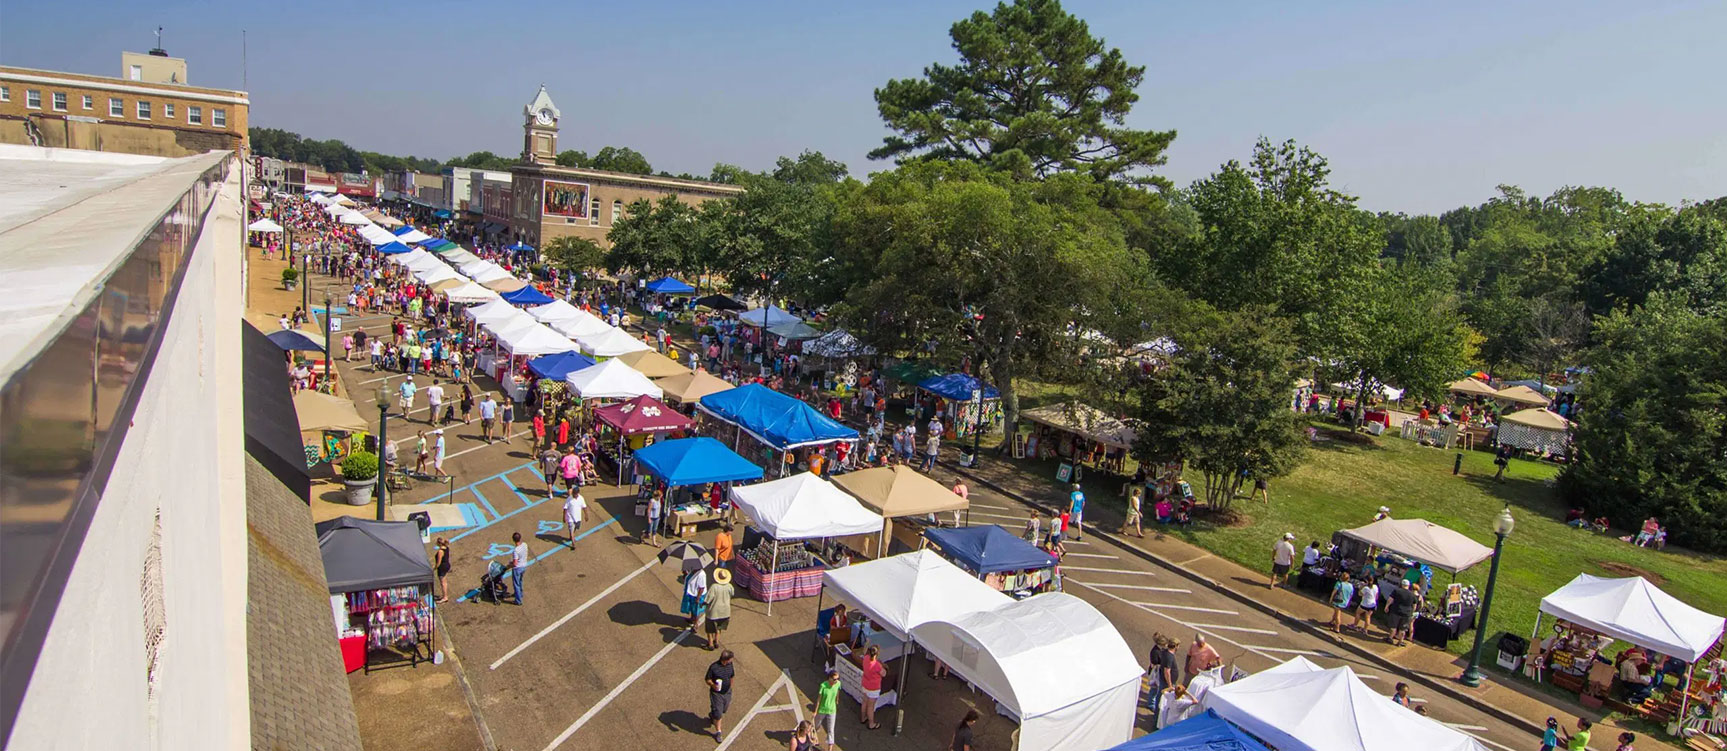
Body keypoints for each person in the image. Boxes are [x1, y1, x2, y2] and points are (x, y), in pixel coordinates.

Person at [705, 650, 735, 742]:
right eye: (730, 659)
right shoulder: (714, 667)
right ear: (725, 660)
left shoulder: (730, 665)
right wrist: (713, 685)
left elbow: (732, 676)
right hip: (717, 694)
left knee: (724, 709)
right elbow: (707, 679)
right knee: (719, 714)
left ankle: (713, 714)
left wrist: (730, 687)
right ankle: (718, 732)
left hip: (727, 692)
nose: (732, 660)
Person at [705, 567, 735, 650]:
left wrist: (703, 603)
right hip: (725, 611)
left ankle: (710, 644)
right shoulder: (729, 586)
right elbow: (732, 594)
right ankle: (717, 641)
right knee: (719, 627)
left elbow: (708, 598)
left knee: (710, 629)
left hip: (714, 611)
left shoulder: (714, 587)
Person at [858, 644, 885, 730]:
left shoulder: (865, 658)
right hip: (873, 688)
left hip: (865, 684)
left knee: (864, 702)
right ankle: (871, 723)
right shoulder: (877, 665)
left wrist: (867, 642)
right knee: (870, 706)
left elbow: (864, 651)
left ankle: (863, 718)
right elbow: (884, 673)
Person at [1386, 578, 1420, 646]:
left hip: (1396, 611)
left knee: (1393, 626)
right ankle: (1400, 642)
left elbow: (1390, 599)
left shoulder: (1397, 591)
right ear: (1408, 585)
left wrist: (1387, 606)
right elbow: (1414, 605)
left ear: (1402, 584)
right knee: (1403, 629)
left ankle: (1390, 638)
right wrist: (1412, 612)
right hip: (1406, 614)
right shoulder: (1412, 595)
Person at [813, 670, 841, 751]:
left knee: (831, 730)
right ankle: (813, 738)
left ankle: (830, 749)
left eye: (838, 679)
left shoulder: (838, 684)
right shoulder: (823, 686)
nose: (836, 681)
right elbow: (819, 699)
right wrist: (815, 711)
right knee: (816, 725)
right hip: (822, 709)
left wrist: (837, 699)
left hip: (832, 710)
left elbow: (838, 691)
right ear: (830, 678)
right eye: (835, 679)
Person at [682, 565, 708, 630]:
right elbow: (688, 579)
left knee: (696, 609)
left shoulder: (701, 574)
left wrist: (698, 598)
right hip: (691, 592)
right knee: (691, 607)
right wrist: (685, 574)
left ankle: (695, 624)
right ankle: (692, 619)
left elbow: (701, 588)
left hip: (697, 594)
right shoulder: (692, 570)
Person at [509, 532, 529, 606]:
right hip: (524, 566)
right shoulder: (525, 545)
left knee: (516, 584)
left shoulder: (516, 550)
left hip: (517, 568)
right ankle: (520, 593)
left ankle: (518, 600)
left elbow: (515, 563)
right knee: (520, 581)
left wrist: (509, 565)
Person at [432, 537, 452, 603]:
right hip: (447, 566)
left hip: (442, 568)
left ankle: (445, 597)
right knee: (445, 582)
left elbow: (438, 562)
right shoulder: (446, 548)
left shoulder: (440, 551)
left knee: (443, 583)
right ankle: (444, 595)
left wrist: (434, 568)